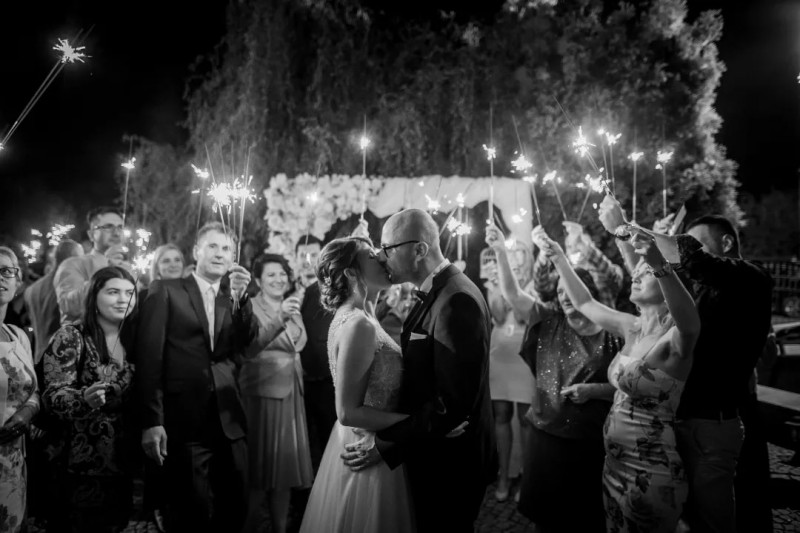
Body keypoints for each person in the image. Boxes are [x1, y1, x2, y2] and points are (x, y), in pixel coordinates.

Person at [604, 204, 774, 533]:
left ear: (726, 243)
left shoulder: (751, 278)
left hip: (712, 426)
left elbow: (690, 259)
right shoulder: (699, 289)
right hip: (676, 422)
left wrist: (627, 227)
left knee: (712, 522)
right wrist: (630, 244)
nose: (682, 254)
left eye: (697, 242)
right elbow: (654, 282)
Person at [541, 214, 701, 533]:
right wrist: (558, 258)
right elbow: (584, 302)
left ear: (670, 283)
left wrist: (658, 263)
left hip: (651, 470)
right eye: (637, 271)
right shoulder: (633, 328)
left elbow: (690, 322)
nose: (636, 274)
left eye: (645, 272)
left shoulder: (675, 338)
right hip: (614, 464)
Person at [345, 209, 496, 533]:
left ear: (419, 250)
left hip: (450, 464)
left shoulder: (456, 300)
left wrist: (386, 444)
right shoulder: (439, 291)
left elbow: (452, 405)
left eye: (388, 248)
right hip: (431, 448)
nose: (381, 257)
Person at [486, 225, 618, 532]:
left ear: (586, 293)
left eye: (569, 291)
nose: (564, 297)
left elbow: (627, 388)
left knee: (586, 516)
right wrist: (500, 252)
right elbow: (513, 295)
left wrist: (595, 390)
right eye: (559, 293)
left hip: (591, 440)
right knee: (545, 517)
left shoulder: (612, 332)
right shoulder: (548, 319)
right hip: (546, 435)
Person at [135, 222, 260, 533]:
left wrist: (241, 298)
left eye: (226, 249)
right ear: (196, 252)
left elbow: (247, 341)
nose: (220, 254)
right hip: (185, 418)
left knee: (237, 503)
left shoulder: (231, 296)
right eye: (213, 246)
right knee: (191, 509)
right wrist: (152, 420)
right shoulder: (166, 290)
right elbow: (150, 358)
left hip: (228, 416)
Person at [299, 237, 417, 533]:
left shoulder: (365, 316)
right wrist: (417, 423)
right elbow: (348, 412)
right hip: (367, 446)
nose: (383, 259)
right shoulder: (358, 325)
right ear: (351, 273)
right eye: (372, 257)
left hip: (373, 437)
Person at [42, 266, 138, 531]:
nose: (123, 299)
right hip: (77, 465)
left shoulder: (135, 337)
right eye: (113, 292)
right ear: (94, 296)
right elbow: (52, 395)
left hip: (121, 463)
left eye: (129, 293)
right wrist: (83, 399)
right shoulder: (71, 336)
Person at [240, 253, 312, 533]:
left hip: (293, 393)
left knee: (284, 472)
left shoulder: (292, 305)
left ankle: (280, 529)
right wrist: (281, 316)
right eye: (271, 274)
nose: (278, 279)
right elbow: (250, 347)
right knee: (260, 473)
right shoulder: (249, 306)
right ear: (258, 281)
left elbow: (297, 345)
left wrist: (288, 313)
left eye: (282, 273)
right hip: (263, 393)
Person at [483, 238, 535, 502]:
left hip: (525, 357)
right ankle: (504, 474)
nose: (516, 256)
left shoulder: (535, 284)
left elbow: (525, 316)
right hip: (500, 356)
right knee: (501, 414)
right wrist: (496, 287)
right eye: (512, 252)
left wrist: (512, 289)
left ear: (529, 257)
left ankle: (527, 477)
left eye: (520, 252)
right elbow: (499, 316)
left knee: (526, 419)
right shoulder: (498, 280)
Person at [0, 247, 40, 533]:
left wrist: (27, 413)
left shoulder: (19, 336)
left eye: (7, 271)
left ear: (17, 283)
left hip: (13, 460)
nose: (0, 277)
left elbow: (34, 391)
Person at [295, 236, 337, 474]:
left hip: (325, 381)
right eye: (302, 255)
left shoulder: (330, 291)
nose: (306, 260)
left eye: (312, 254)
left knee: (326, 440)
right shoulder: (286, 290)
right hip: (294, 383)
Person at [55, 207, 130, 324]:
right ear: (91, 234)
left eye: (120, 227)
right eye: (108, 227)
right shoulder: (73, 264)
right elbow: (69, 306)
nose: (116, 233)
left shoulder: (128, 269)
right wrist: (106, 271)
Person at [533, 221, 624, 308]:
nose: (574, 249)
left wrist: (582, 245)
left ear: (592, 245)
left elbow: (612, 277)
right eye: (570, 246)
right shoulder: (561, 275)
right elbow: (543, 288)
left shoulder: (608, 271)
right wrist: (544, 251)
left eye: (579, 243)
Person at [24, 240, 84, 364]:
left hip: (38, 358)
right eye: (81, 259)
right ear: (72, 259)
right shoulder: (66, 289)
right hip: (61, 362)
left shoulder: (31, 290)